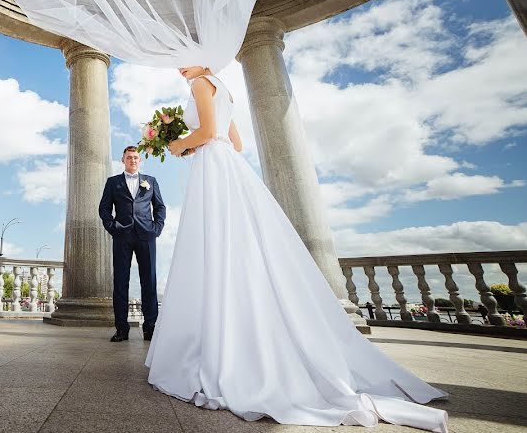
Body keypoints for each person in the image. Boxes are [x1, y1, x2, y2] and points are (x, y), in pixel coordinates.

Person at [145, 67, 448, 432]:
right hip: (230, 167)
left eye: (185, 56)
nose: (180, 65)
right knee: (239, 247)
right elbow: (236, 143)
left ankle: (224, 348)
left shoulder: (198, 83)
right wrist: (195, 139)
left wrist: (179, 144)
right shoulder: (223, 88)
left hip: (213, 167)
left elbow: (209, 133)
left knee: (216, 247)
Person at [99, 146, 166, 342]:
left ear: (140, 160)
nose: (133, 160)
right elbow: (104, 208)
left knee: (149, 282)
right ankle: (121, 328)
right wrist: (113, 227)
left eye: (136, 157)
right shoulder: (113, 182)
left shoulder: (151, 181)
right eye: (129, 158)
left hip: (147, 235)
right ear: (123, 160)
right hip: (122, 236)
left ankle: (150, 328)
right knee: (120, 282)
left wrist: (157, 228)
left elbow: (160, 206)